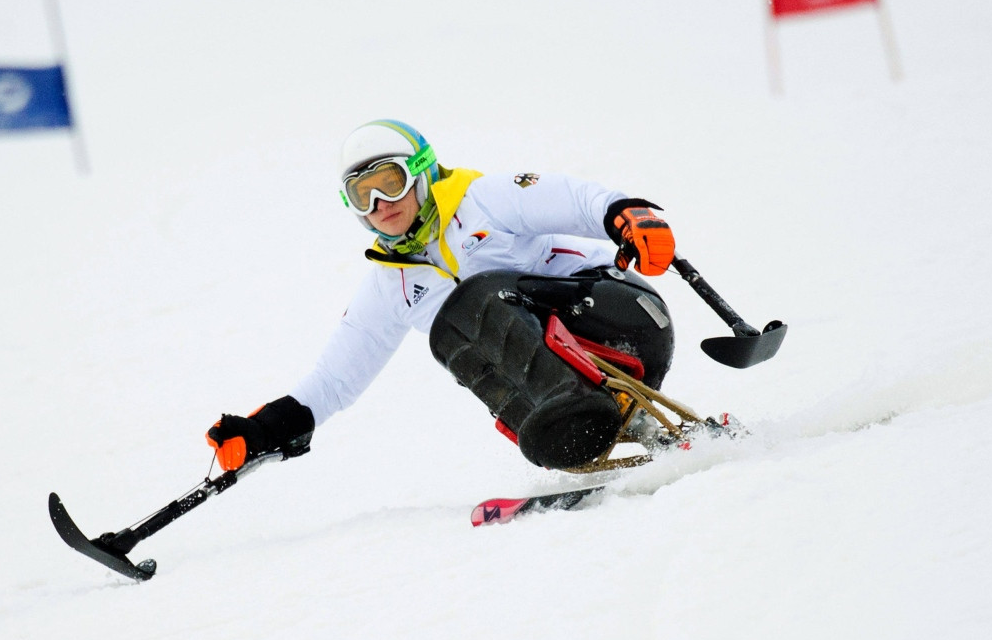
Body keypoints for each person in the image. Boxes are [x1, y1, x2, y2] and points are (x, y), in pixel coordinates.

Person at [206, 119, 677, 473]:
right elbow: (334, 380)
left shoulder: (482, 199)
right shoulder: (390, 285)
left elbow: (575, 200)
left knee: (470, 307)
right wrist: (264, 430)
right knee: (455, 338)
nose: (380, 205)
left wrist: (627, 217)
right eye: (361, 194)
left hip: (623, 316)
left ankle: (573, 411)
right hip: (578, 377)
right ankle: (595, 428)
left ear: (420, 173)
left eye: (389, 183)